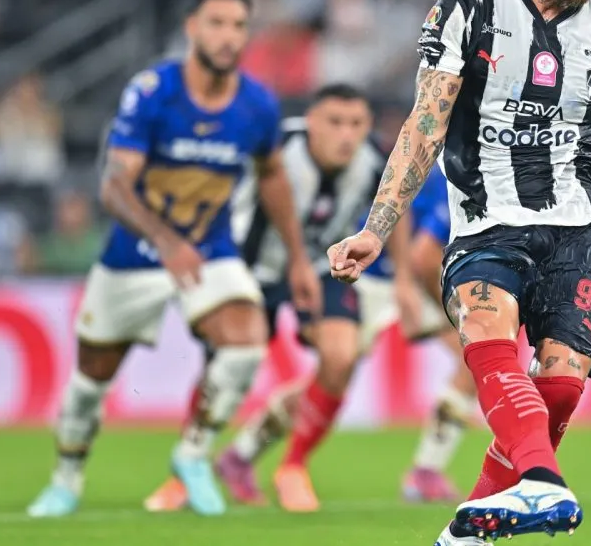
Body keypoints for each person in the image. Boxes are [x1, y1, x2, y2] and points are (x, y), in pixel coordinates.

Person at [328, 0, 591, 544]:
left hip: (581, 227)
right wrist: (375, 228)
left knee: (560, 387)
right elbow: (424, 126)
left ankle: (465, 532)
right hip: (486, 221)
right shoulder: (467, 10)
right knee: (484, 334)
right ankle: (547, 485)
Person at [26, 0, 319, 518]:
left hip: (210, 250)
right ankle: (65, 480)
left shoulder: (256, 104)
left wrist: (299, 258)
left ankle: (192, 454)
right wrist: (165, 243)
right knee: (91, 381)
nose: (228, 36)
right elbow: (115, 185)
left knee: (246, 343)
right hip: (134, 254)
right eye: (217, 23)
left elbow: (273, 176)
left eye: (238, 26)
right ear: (192, 28)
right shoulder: (152, 92)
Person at [142, 83, 417, 513]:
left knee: (341, 358)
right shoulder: (274, 147)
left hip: (325, 267)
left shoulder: (374, 160)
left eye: (356, 124)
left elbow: (396, 209)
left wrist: (401, 277)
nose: (347, 134)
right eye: (335, 123)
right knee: (225, 369)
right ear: (310, 123)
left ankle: (293, 466)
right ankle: (185, 471)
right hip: (256, 269)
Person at [354, 165, 477, 503]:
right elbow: (423, 256)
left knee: (474, 361)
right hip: (378, 275)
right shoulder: (464, 176)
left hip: (397, 274)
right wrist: (452, 316)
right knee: (334, 372)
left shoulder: (459, 167)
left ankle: (426, 472)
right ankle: (244, 453)